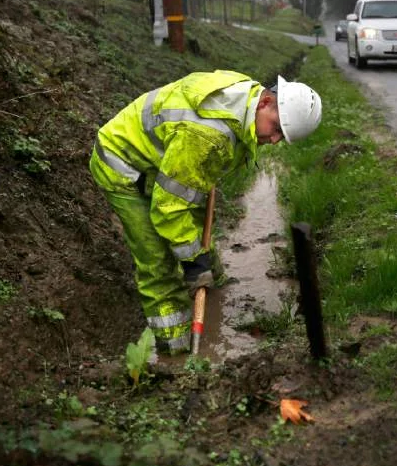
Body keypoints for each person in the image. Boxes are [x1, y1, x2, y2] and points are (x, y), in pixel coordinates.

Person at [89, 70, 322, 357]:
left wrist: (197, 256)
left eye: (282, 137)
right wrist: (192, 261)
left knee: (193, 234)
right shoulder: (206, 136)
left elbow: (186, 179)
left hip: (164, 159)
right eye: (276, 128)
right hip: (122, 166)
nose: (274, 140)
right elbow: (169, 206)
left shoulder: (245, 95)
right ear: (265, 102)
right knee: (157, 260)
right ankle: (174, 350)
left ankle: (208, 281)